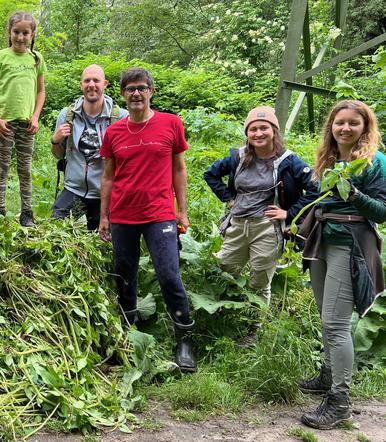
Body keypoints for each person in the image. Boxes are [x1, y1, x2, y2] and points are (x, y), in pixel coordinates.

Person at [99, 67, 196, 372]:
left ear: (151, 91)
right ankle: (129, 336)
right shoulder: (114, 132)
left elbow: (179, 169)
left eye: (142, 88)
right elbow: (108, 177)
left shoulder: (170, 124)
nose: (136, 94)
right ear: (123, 95)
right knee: (125, 277)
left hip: (159, 214)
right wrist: (104, 216)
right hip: (123, 215)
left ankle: (185, 339)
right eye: (130, 89)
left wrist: (182, 209)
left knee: (169, 274)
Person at [297, 100, 386, 430]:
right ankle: (329, 376)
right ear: (331, 126)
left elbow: (381, 212)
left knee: (335, 323)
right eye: (339, 123)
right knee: (327, 316)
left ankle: (340, 402)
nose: (345, 128)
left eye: (353, 123)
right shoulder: (329, 159)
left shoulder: (376, 163)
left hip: (350, 243)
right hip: (323, 239)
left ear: (365, 127)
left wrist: (355, 196)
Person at [203, 106, 316, 318]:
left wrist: (289, 213)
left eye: (264, 128)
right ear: (247, 133)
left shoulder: (288, 161)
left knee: (259, 281)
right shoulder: (238, 157)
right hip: (237, 224)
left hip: (267, 228)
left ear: (274, 130)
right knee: (225, 272)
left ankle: (253, 327)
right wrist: (228, 198)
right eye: (253, 129)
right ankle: (225, 318)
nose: (258, 133)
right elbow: (210, 174)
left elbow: (315, 188)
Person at [0, 11, 46, 227]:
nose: (20, 37)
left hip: (27, 124)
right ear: (9, 33)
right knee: (3, 167)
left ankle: (26, 213)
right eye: (16, 32)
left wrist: (36, 116)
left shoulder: (36, 59)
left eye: (25, 33)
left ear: (32, 34)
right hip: (5, 124)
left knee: (25, 169)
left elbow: (41, 92)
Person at [51, 64, 126, 231]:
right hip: (73, 189)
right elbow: (58, 155)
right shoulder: (67, 115)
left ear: (105, 84)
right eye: (87, 80)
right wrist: (55, 141)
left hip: (104, 193)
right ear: (81, 85)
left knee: (103, 240)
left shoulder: (121, 117)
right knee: (54, 229)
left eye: (96, 80)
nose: (91, 84)